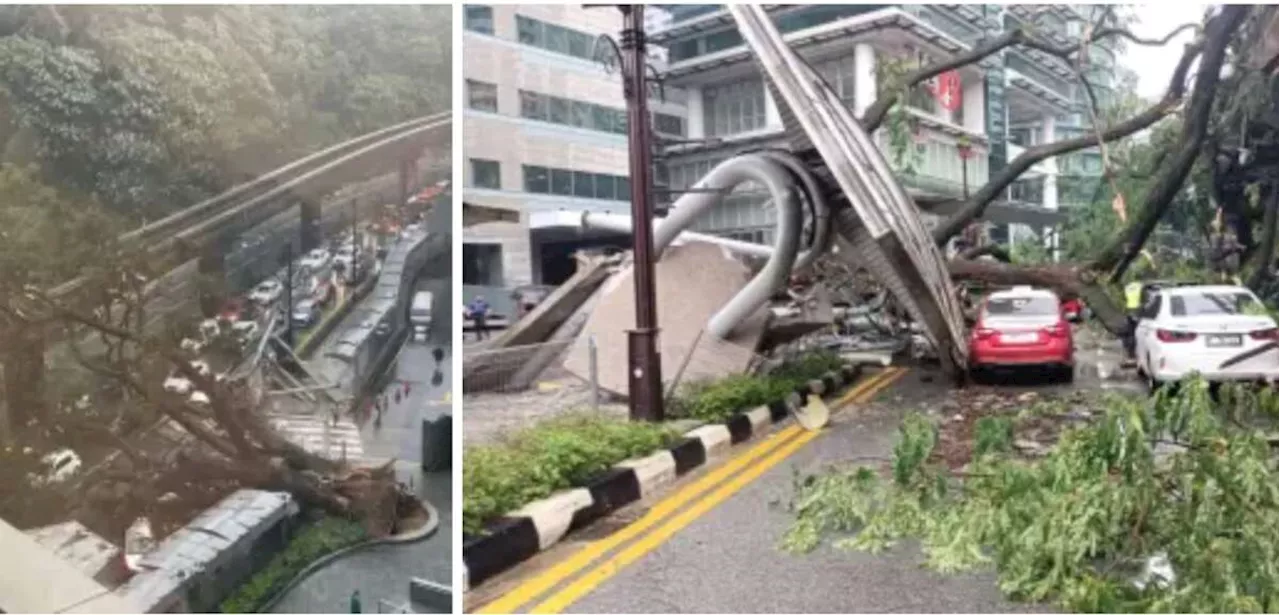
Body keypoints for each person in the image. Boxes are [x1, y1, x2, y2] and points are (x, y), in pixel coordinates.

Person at [1123, 280, 1143, 361]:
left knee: (1131, 333)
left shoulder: (1127, 287)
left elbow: (1125, 299)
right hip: (1137, 310)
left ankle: (1131, 353)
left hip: (1129, 310)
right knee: (1138, 332)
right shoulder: (1140, 285)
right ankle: (1138, 352)